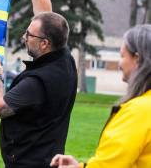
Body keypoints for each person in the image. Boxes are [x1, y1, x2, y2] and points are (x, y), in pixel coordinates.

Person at [0, 0, 78, 168]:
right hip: (48, 159)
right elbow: (44, 13)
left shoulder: (37, 83)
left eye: (29, 35)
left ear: (45, 43)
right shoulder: (64, 58)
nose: (24, 37)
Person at [51, 24, 151, 168]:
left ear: (137, 59)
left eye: (122, 56)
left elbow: (111, 164)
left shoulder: (139, 111)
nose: (119, 64)